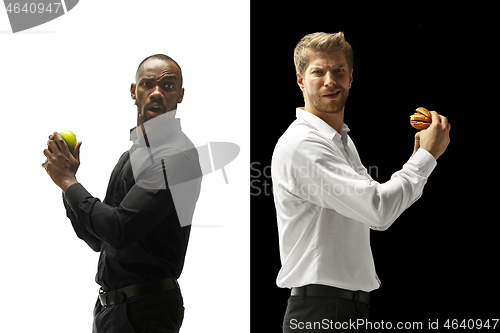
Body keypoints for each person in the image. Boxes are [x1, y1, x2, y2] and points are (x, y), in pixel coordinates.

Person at [271, 32, 450, 332]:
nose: (330, 80)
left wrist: (420, 156)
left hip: (347, 310)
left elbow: (377, 218)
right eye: (318, 71)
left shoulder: (341, 141)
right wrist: (426, 158)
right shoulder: (303, 144)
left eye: (339, 70)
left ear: (351, 78)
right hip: (320, 312)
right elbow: (378, 209)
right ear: (301, 81)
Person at [42, 54, 202, 333]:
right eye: (147, 84)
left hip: (147, 311)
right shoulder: (130, 157)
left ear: (180, 95)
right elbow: (99, 238)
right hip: (111, 310)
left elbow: (118, 230)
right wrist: (68, 183)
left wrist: (68, 181)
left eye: (167, 86)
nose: (156, 92)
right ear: (133, 91)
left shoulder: (176, 157)